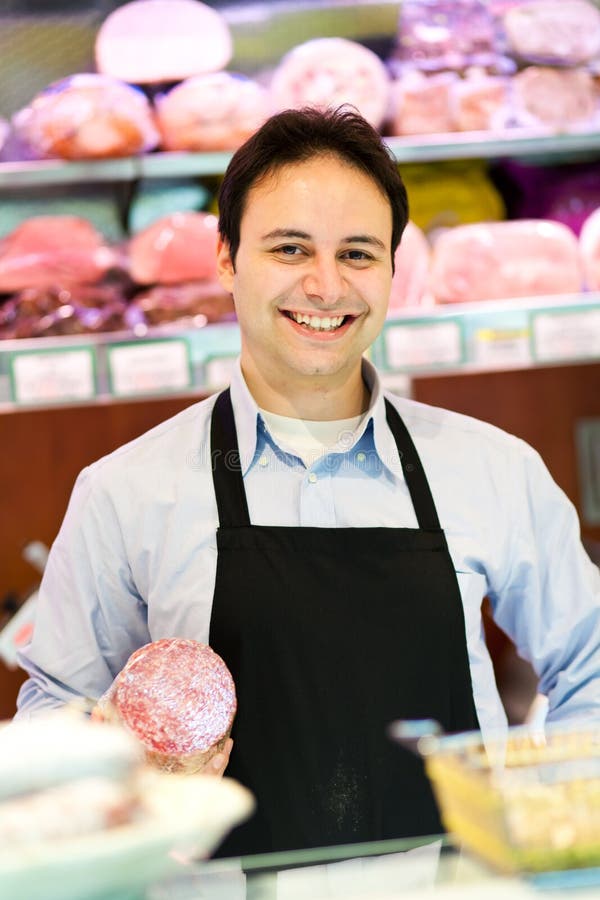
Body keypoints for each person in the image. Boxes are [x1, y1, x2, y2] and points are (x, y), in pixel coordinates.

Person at [16, 107, 600, 857]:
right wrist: (112, 765)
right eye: (291, 248)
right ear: (226, 258)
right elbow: (52, 714)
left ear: (394, 268)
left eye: (358, 253)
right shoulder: (124, 493)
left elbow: (589, 661)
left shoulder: (495, 471)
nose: (326, 286)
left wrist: (547, 823)